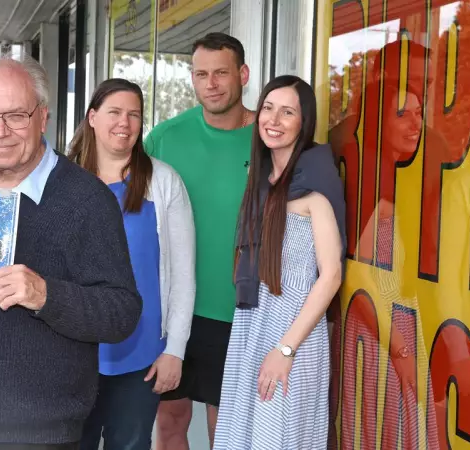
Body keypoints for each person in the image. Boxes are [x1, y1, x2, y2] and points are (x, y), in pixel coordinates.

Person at [0, 57, 143, 450]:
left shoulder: (88, 200)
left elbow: (120, 313)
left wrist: (45, 295)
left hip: (38, 432)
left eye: (16, 116)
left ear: (43, 117)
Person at [213, 75, 345, 449]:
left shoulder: (316, 183)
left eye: (288, 112)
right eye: (268, 108)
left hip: (293, 335)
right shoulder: (261, 182)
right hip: (252, 327)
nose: (273, 119)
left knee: (278, 438)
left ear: (304, 123)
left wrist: (286, 349)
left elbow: (331, 275)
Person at [69, 78, 196, 450]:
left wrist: (175, 350)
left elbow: (184, 275)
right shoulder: (63, 180)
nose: (124, 122)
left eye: (134, 115)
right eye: (114, 112)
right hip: (75, 353)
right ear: (92, 117)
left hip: (142, 355)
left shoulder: (163, 181)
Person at [145, 31, 254, 449]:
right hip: (173, 308)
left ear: (242, 74)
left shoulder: (268, 136)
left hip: (237, 309)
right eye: (201, 74)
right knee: (170, 419)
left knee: (224, 427)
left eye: (221, 73)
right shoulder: (164, 138)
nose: (210, 84)